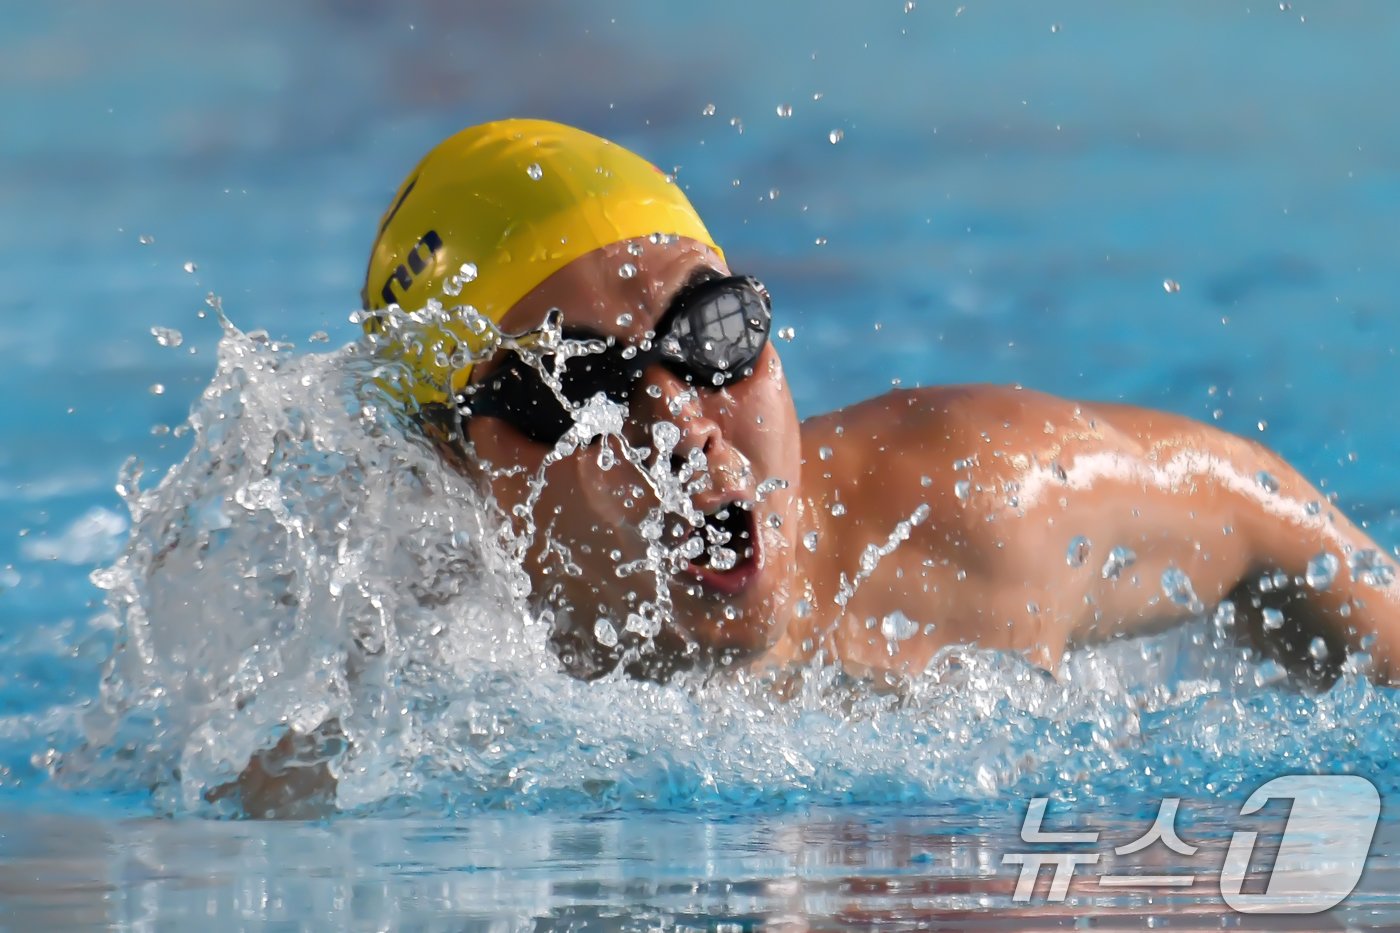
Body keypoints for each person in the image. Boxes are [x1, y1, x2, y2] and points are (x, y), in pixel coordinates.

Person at [222, 118, 1400, 815]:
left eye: (714, 333)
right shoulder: (371, 722)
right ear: (453, 463)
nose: (681, 422)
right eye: (576, 387)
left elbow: (1271, 519)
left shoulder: (972, 509)